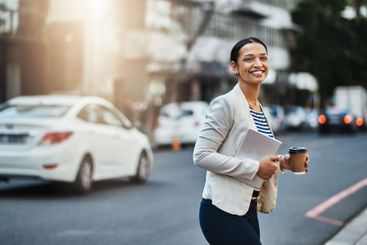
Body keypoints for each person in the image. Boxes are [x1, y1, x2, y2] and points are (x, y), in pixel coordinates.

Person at [193, 37, 309, 245]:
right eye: (249, 59)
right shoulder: (226, 104)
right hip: (221, 211)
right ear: (235, 67)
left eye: (263, 58)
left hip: (246, 208)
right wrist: (256, 168)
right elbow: (201, 156)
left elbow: (252, 154)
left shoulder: (257, 107)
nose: (258, 64)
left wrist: (284, 163)